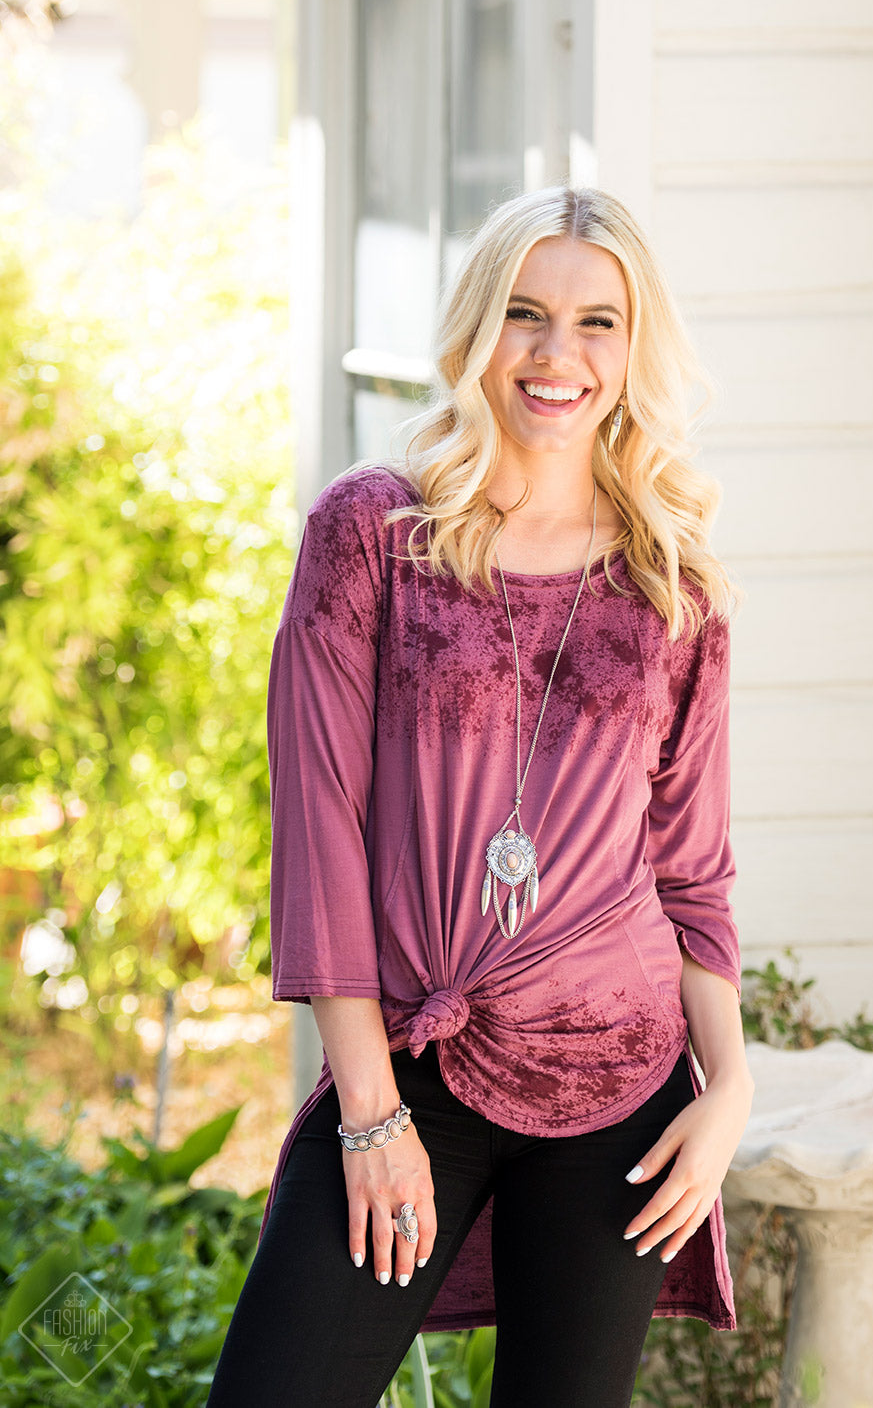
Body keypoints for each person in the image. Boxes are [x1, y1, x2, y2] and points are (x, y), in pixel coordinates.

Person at [205, 185, 753, 1408]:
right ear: (476, 327)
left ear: (635, 347)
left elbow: (691, 870)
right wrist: (367, 1110)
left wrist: (730, 1090)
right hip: (414, 1067)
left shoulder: (670, 582)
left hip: (621, 1080)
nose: (558, 355)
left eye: (598, 322)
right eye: (525, 313)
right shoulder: (373, 534)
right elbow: (320, 832)